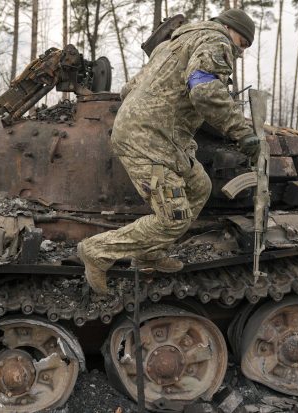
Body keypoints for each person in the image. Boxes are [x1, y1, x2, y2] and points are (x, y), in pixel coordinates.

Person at [78, 8, 259, 294]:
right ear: (231, 29)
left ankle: (148, 252)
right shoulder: (216, 41)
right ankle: (97, 251)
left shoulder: (171, 44)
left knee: (200, 187)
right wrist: (242, 132)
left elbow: (128, 89)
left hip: (164, 137)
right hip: (149, 140)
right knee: (173, 220)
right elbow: (204, 90)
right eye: (244, 42)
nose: (241, 50)